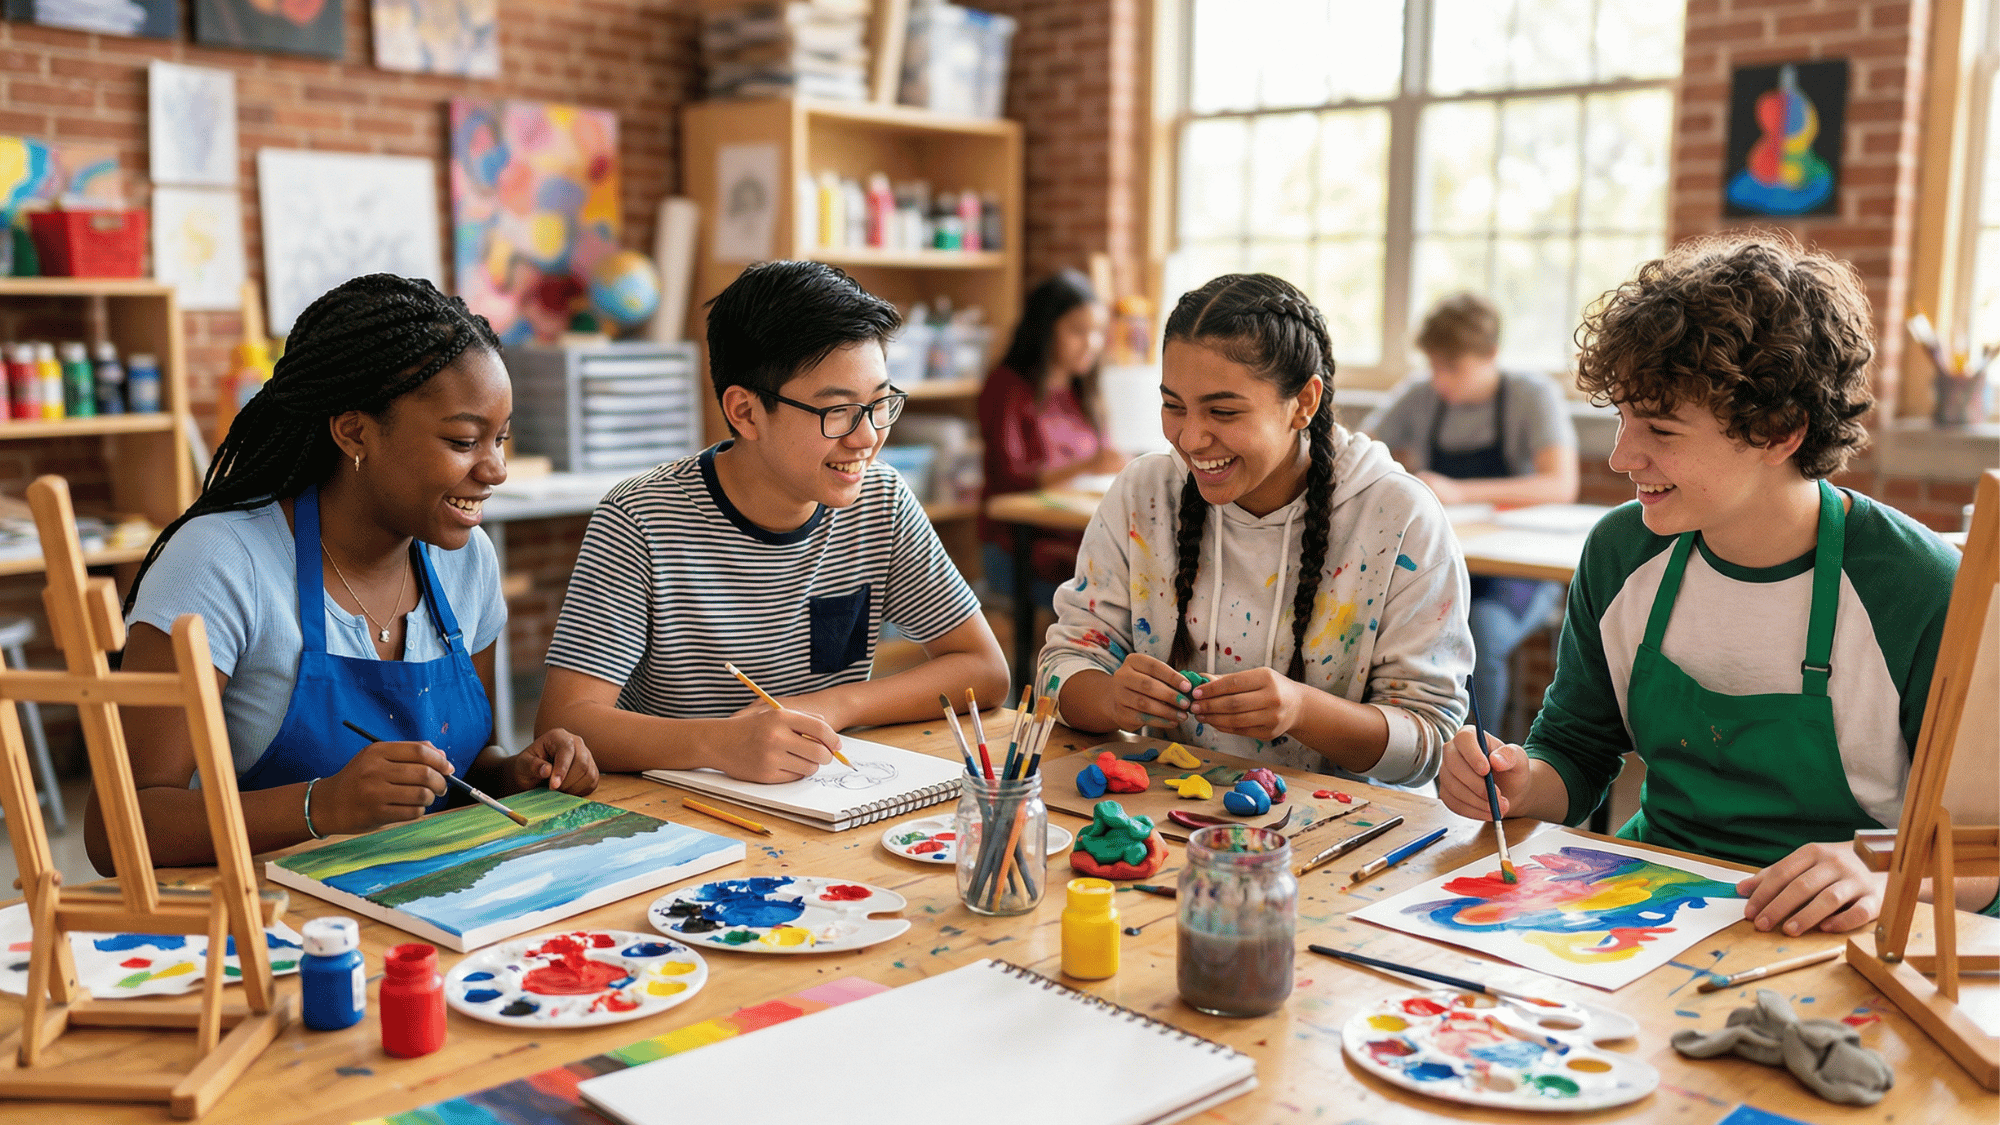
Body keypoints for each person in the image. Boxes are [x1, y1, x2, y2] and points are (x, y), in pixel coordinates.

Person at [1439, 231, 1996, 934]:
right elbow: (1576, 751)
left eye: (1661, 430)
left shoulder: (1918, 588)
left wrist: (1886, 873)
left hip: (1833, 933)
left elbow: (1985, 852)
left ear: (1779, 431)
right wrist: (1519, 781)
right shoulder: (1621, 551)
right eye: (1621, 419)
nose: (1620, 456)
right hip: (1643, 908)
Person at [91, 274, 599, 874]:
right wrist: (319, 806)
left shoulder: (468, 561)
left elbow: (470, 763)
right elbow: (116, 829)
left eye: (501, 439)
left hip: (430, 904)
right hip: (269, 928)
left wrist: (517, 772)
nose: (495, 469)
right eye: (464, 440)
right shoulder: (220, 564)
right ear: (354, 431)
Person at [535, 261, 1008, 781]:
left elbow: (984, 671)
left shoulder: (882, 500)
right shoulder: (641, 519)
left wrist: (834, 706)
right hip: (678, 810)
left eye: (879, 404)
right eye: (839, 412)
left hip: (821, 797)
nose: (867, 437)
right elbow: (564, 724)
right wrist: (719, 742)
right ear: (745, 413)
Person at [1039, 273, 1472, 780]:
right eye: (1173, 406)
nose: (1192, 437)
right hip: (1165, 814)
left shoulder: (1399, 517)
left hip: (1346, 827)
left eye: (1223, 411)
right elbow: (1061, 667)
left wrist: (1302, 711)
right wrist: (1111, 697)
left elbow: (1431, 744)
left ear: (1304, 403)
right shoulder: (1146, 494)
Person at [1364, 293, 1579, 729]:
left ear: (1492, 356)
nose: (1441, 380)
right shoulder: (1420, 395)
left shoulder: (1531, 395)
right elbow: (1357, 453)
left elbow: (1560, 485)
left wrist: (1459, 492)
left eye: (1454, 368)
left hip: (1516, 573)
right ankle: (1413, 758)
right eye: (1434, 367)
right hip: (1439, 561)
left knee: (1480, 632)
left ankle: (1483, 771)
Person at [977, 270, 1128, 608]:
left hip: (1077, 542)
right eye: (1077, 331)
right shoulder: (1007, 388)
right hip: (1020, 548)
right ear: (1045, 330)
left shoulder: (1086, 393)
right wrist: (1088, 464)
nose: (1091, 343)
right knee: (1119, 599)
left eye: (1098, 333)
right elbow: (1012, 480)